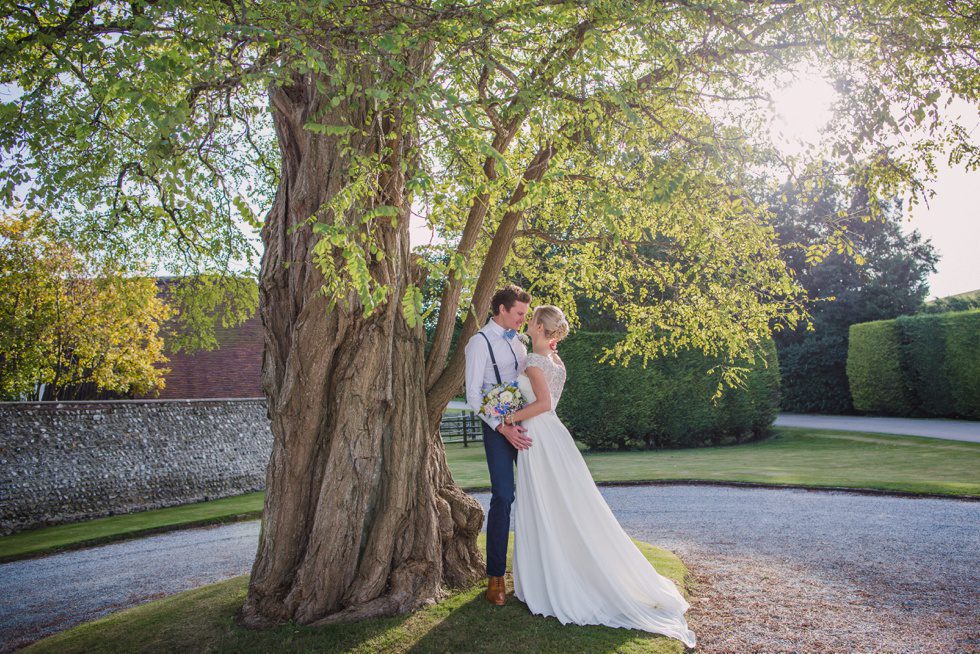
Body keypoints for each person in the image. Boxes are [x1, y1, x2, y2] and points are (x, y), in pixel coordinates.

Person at [503, 305, 697, 650]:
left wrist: (509, 417)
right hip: (553, 436)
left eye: (531, 319)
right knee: (564, 504)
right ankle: (562, 567)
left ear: (539, 327)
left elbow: (544, 403)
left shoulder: (535, 362)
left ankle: (555, 579)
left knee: (547, 503)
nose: (527, 322)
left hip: (538, 434)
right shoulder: (555, 361)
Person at [463, 284, 532, 606]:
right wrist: (501, 428)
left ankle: (538, 570)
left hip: (528, 424)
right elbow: (473, 395)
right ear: (502, 309)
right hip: (497, 429)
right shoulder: (479, 343)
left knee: (539, 492)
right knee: (504, 496)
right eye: (519, 314)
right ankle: (495, 577)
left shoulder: (519, 342)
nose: (522, 319)